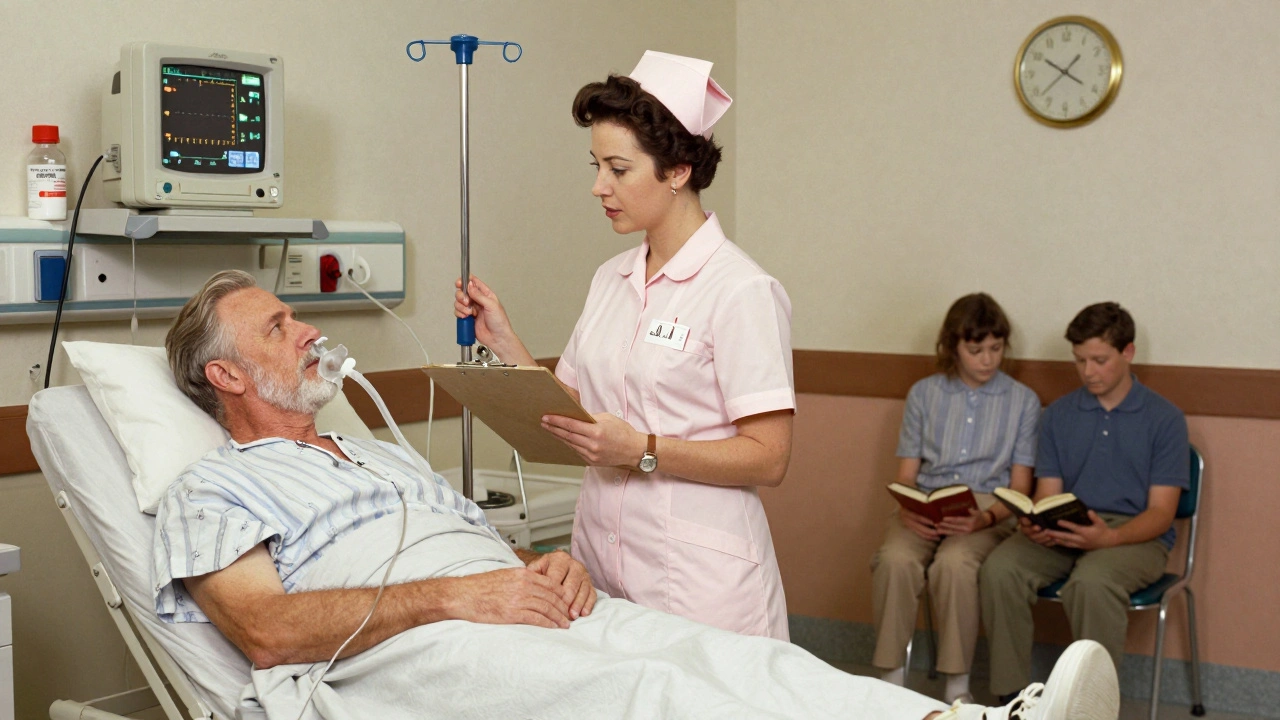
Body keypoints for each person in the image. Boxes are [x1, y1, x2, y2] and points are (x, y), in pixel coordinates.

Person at [152, 271, 1120, 720]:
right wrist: (460, 596)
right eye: (279, 329)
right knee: (652, 695)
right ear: (229, 379)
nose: (307, 334)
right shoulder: (216, 485)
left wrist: (538, 563)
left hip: (524, 601)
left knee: (725, 660)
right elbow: (267, 633)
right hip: (415, 644)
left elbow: (494, 529)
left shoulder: (380, 456)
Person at [454, 51, 794, 640]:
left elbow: (769, 456)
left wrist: (642, 449)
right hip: (604, 564)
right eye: (596, 166)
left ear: (678, 170)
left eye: (618, 169)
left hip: (702, 582)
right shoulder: (610, 279)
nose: (597, 187)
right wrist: (509, 346)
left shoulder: (741, 290)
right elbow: (579, 413)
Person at [980, 302, 1189, 701]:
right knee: (1001, 568)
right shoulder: (1059, 414)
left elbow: (1162, 512)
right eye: (1079, 361)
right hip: (1067, 524)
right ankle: (1012, 700)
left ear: (1128, 353)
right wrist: (1035, 523)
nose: (1088, 372)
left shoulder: (1165, 419)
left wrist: (1109, 540)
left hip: (1133, 536)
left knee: (1092, 583)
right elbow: (1048, 493)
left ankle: (1093, 706)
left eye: (1099, 360)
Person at [871, 294, 1041, 704]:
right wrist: (909, 510)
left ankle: (956, 687)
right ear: (952, 347)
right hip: (925, 502)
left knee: (955, 563)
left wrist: (984, 520)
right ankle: (891, 682)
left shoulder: (1023, 401)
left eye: (996, 349)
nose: (988, 360)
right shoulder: (924, 395)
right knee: (894, 559)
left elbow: (1020, 487)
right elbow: (907, 476)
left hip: (988, 508)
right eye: (975, 350)